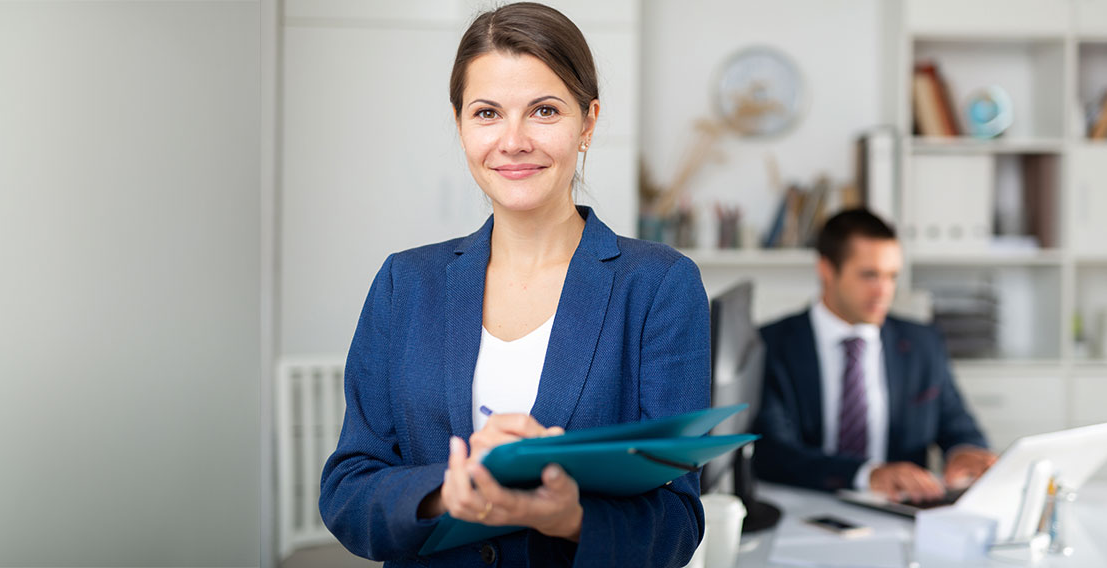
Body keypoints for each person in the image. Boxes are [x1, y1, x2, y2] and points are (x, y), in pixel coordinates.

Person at [318, 4, 710, 566]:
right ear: (459, 125)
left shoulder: (659, 285)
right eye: (487, 113)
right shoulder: (405, 284)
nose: (514, 140)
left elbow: (677, 521)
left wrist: (568, 517)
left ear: (589, 123)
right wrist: (444, 491)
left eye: (544, 110)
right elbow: (348, 491)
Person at [752, 208, 997, 502]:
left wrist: (965, 452)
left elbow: (957, 424)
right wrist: (867, 474)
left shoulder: (922, 343)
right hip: (807, 505)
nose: (884, 291)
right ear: (827, 270)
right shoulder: (771, 344)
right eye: (869, 275)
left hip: (902, 511)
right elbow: (772, 454)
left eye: (891, 276)